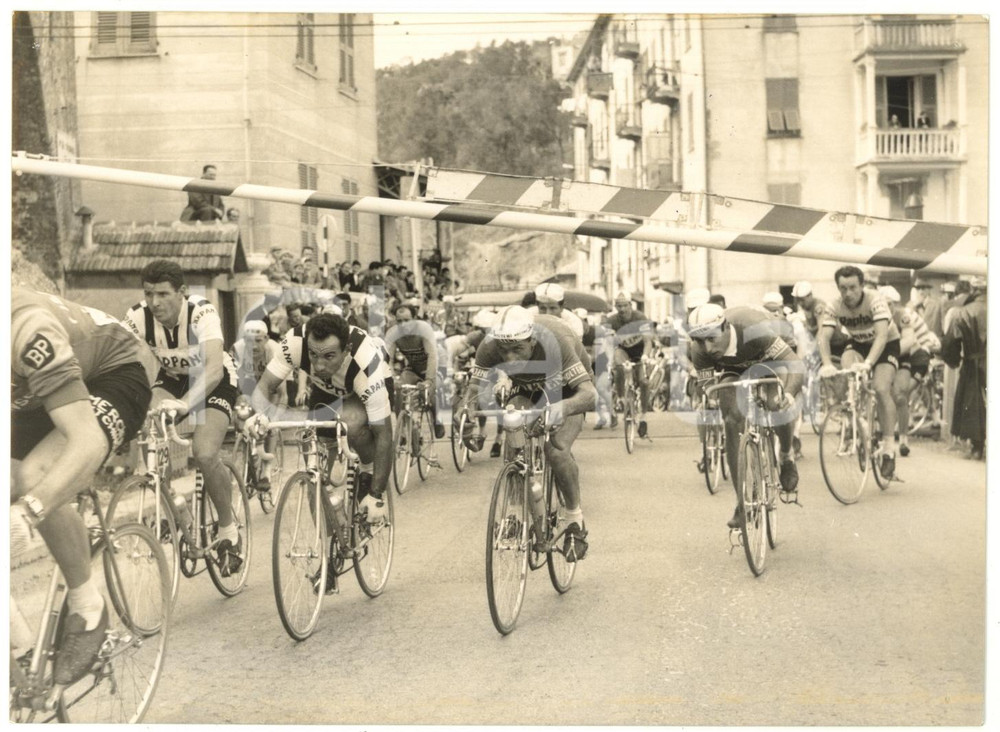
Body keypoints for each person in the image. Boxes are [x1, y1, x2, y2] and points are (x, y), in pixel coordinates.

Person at [11, 288, 153, 684]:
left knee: (32, 479)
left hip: (112, 373)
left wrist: (28, 512)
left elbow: (86, 440)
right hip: (33, 393)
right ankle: (19, 645)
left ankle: (87, 607)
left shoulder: (25, 328)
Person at [122, 259, 245, 575]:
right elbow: (118, 358)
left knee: (204, 452)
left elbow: (215, 369)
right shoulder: (137, 316)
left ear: (183, 292)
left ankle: (229, 530)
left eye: (163, 294)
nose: (154, 302)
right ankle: (179, 511)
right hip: (174, 379)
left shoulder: (202, 312)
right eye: (149, 294)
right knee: (150, 444)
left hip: (215, 379)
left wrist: (186, 404)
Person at [456, 306, 597, 561]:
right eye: (503, 350)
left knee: (556, 448)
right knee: (513, 426)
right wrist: (466, 412)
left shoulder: (557, 340)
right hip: (527, 390)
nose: (509, 358)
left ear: (532, 341)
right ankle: (513, 512)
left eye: (517, 349)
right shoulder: (488, 346)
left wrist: (563, 407)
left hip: (567, 391)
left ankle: (575, 520)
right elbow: (474, 389)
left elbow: (589, 395)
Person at [249, 312, 395, 523]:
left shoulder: (366, 364)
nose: (318, 365)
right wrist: (259, 415)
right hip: (326, 387)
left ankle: (366, 470)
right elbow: (265, 386)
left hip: (364, 383)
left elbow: (384, 435)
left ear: (346, 351)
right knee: (314, 465)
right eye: (313, 355)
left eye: (328, 356)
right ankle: (330, 539)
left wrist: (377, 493)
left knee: (352, 424)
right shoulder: (294, 342)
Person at [686, 302, 803, 528]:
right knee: (731, 419)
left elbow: (795, 364)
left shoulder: (753, 329)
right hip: (735, 366)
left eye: (712, 338)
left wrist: (788, 394)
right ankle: (743, 501)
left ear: (725, 327)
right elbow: (708, 386)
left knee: (775, 403)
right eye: (701, 341)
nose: (708, 348)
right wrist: (709, 398)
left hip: (769, 357)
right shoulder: (698, 349)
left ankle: (787, 456)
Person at [817, 266, 901, 479]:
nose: (848, 293)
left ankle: (889, 447)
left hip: (886, 344)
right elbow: (824, 336)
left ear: (862, 286)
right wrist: (826, 363)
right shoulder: (834, 305)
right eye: (843, 288)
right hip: (858, 343)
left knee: (881, 389)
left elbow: (882, 336)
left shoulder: (875, 299)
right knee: (845, 375)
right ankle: (859, 421)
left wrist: (870, 363)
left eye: (853, 287)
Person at [880, 286, 939, 457]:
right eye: (883, 305)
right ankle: (887, 434)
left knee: (901, 395)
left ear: (896, 304)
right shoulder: (880, 316)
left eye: (890, 305)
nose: (887, 308)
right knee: (890, 394)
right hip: (901, 354)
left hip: (918, 354)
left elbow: (910, 344)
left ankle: (904, 438)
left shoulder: (904, 316)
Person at [230, 320, 284, 488]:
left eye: (258, 341)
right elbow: (232, 384)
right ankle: (249, 462)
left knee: (270, 425)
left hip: (271, 390)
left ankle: (266, 470)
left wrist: (272, 417)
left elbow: (282, 393)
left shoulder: (275, 351)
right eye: (249, 340)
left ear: (267, 338)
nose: (253, 346)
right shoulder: (237, 350)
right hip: (248, 388)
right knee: (243, 421)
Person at [940, 278, 986, 460]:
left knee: (975, 404)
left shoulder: (963, 312)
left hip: (973, 362)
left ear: (974, 289)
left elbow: (950, 342)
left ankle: (977, 447)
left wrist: (953, 360)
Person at [384, 302, 444, 439]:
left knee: (428, 394)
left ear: (415, 318)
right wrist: (392, 378)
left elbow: (432, 356)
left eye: (407, 320)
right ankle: (404, 428)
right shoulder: (393, 333)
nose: (403, 325)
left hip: (432, 367)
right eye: (399, 321)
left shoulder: (424, 329)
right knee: (400, 391)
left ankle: (437, 420)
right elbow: (388, 359)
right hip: (413, 368)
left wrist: (429, 380)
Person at [604, 292, 655, 438]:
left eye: (624, 305)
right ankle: (621, 398)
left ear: (630, 305)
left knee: (644, 382)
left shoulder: (640, 318)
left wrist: (645, 356)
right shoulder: (611, 320)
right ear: (615, 307)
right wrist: (609, 359)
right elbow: (608, 344)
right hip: (623, 351)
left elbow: (647, 341)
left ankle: (643, 417)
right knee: (618, 365)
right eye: (618, 306)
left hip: (640, 352)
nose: (622, 309)